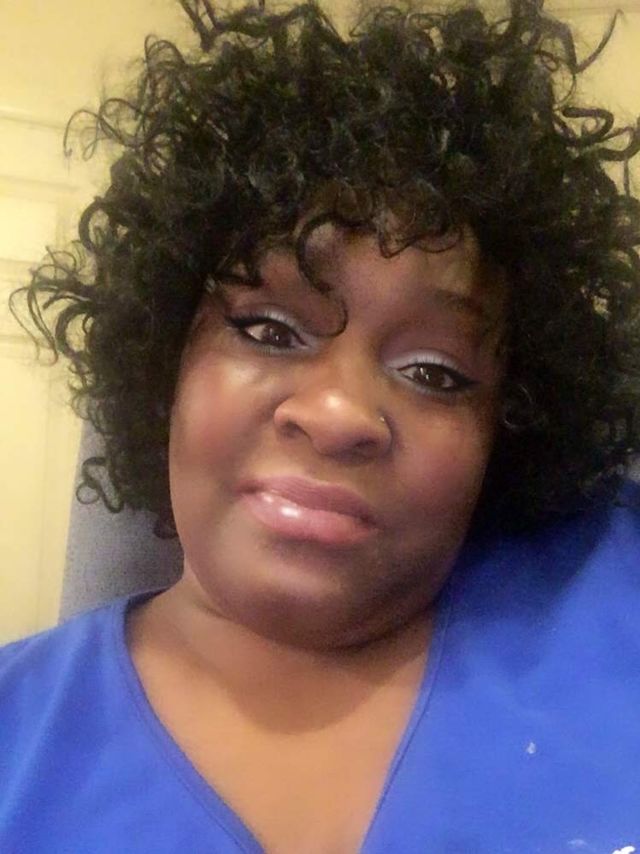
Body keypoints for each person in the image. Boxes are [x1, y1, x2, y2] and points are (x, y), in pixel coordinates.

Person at [3, 0, 640, 850]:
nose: (339, 416)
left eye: (436, 373)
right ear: (165, 363)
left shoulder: (611, 591)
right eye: (270, 331)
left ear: (507, 429)